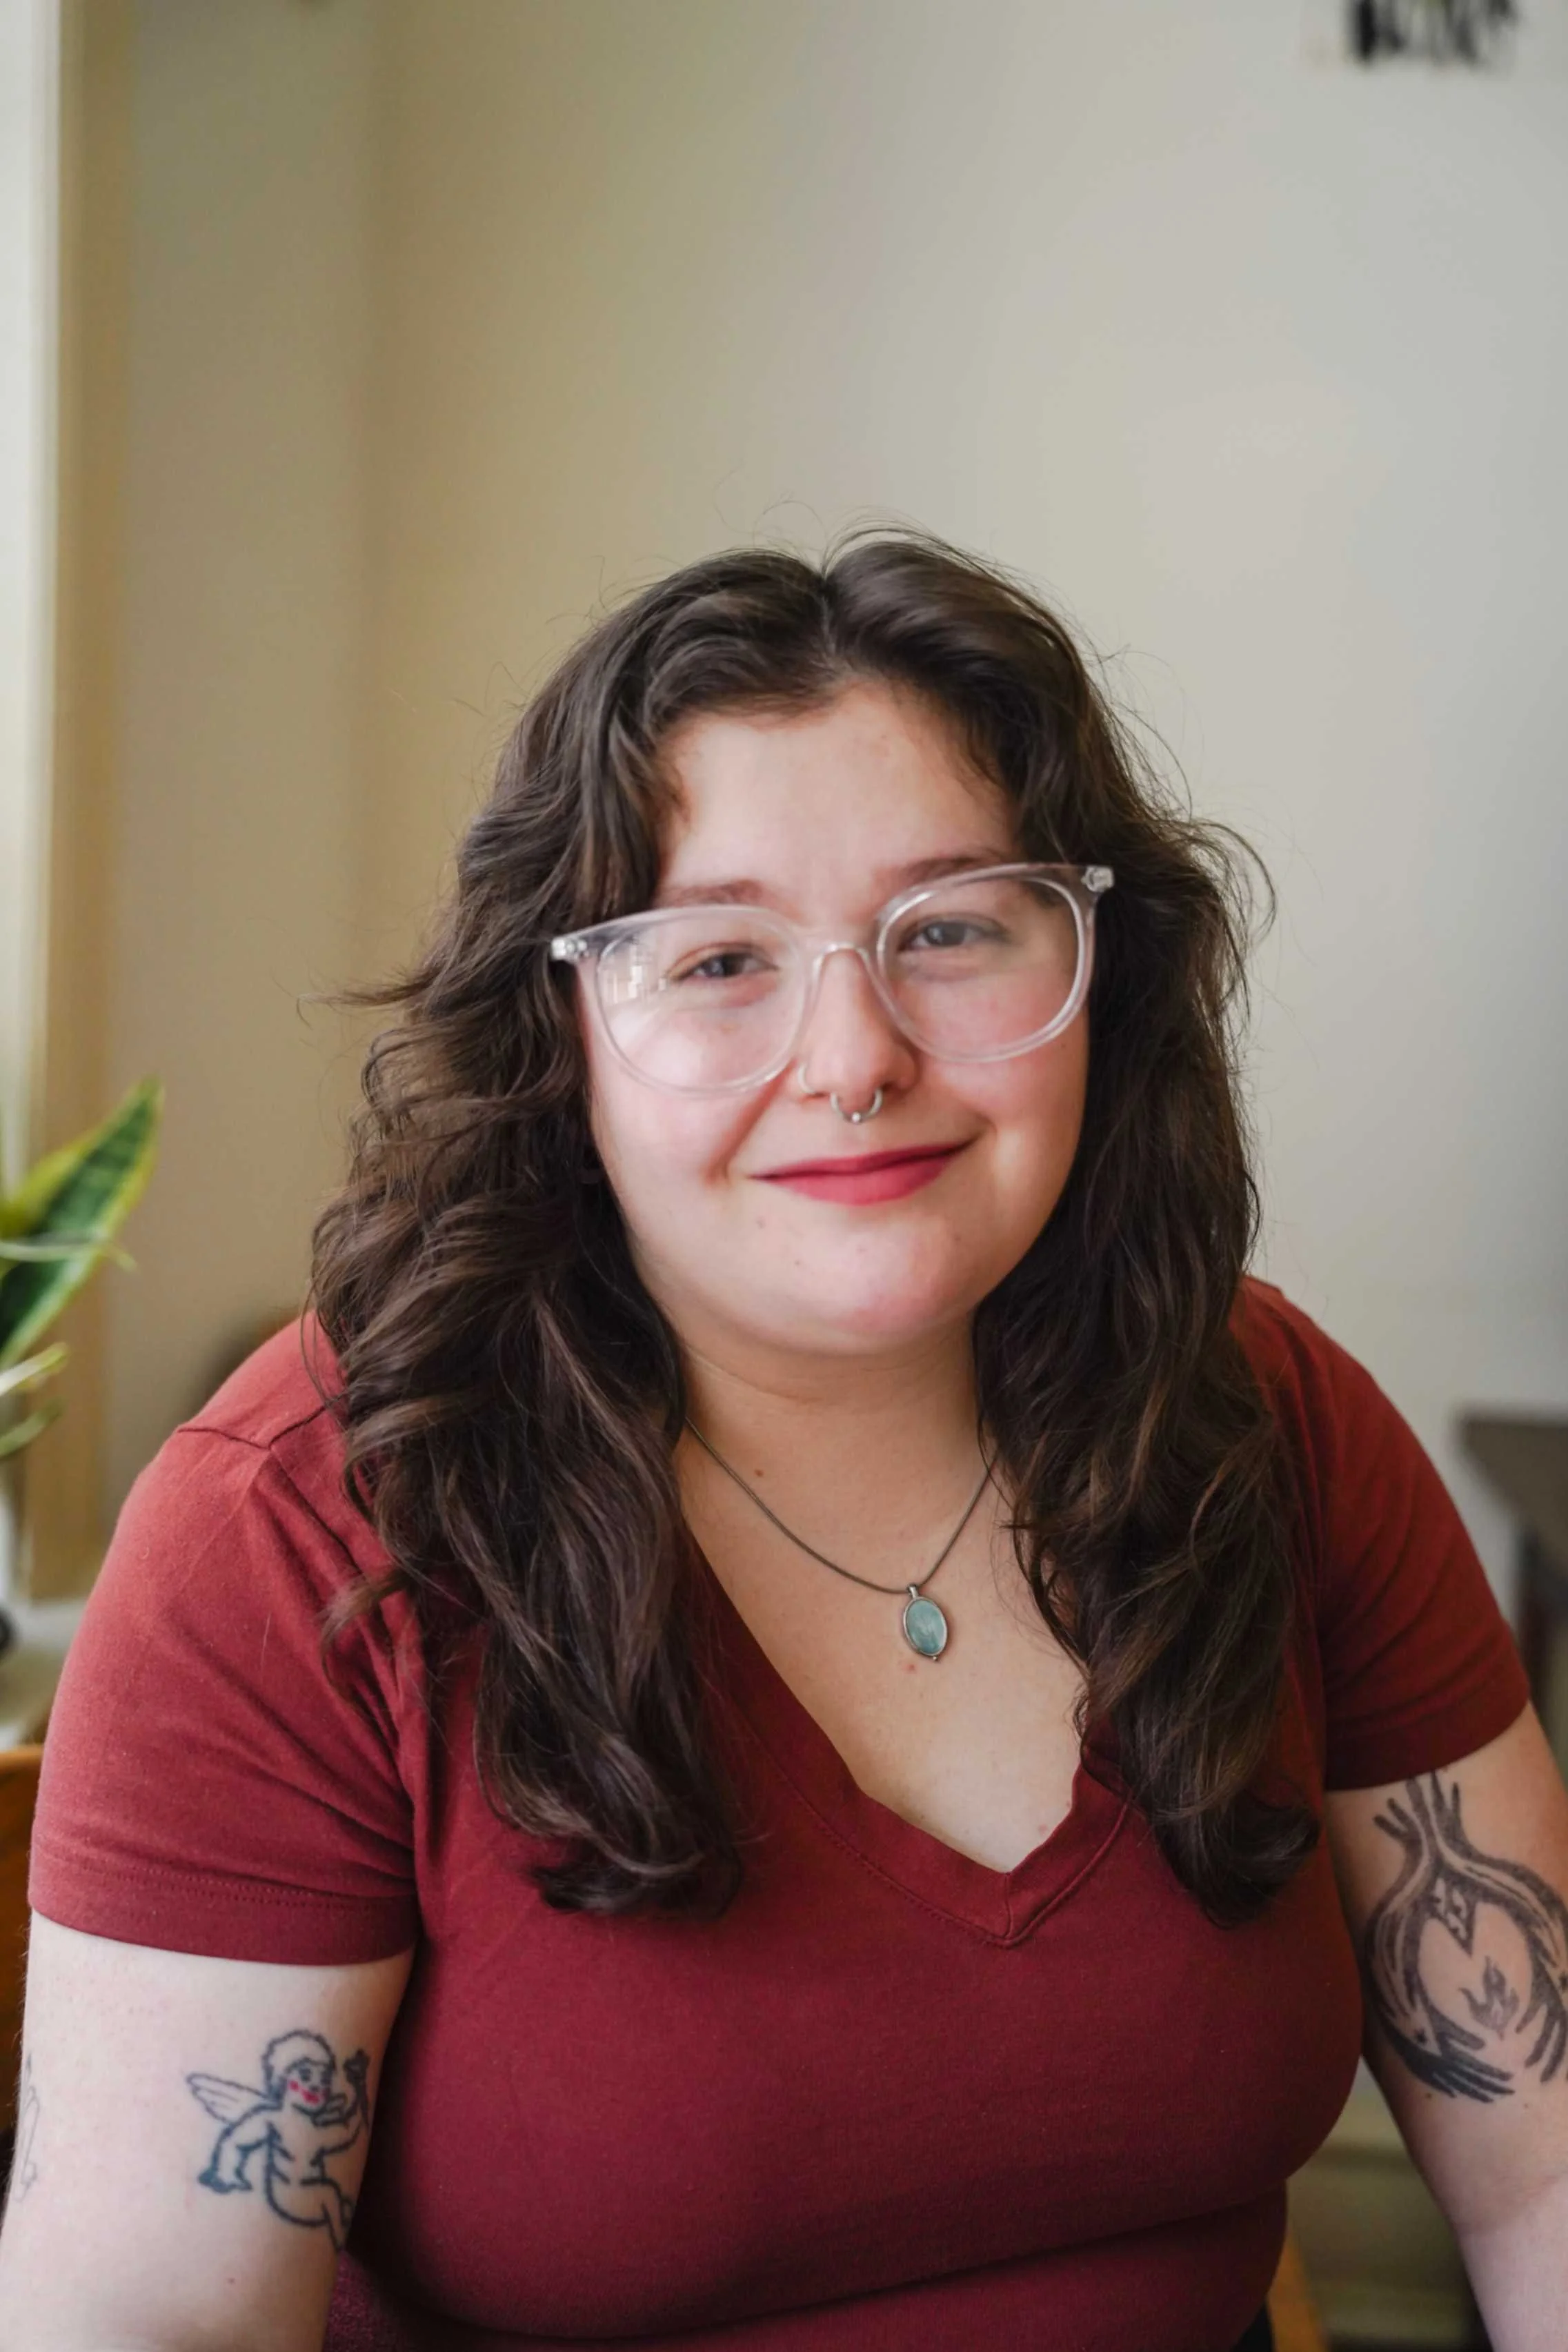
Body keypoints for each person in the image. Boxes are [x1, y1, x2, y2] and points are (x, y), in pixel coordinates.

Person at [3, 533, 1565, 2352]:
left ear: (1098, 974)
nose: (853, 1056)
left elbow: (1543, 2166)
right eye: (719, 955)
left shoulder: (1262, 1417)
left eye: (954, 930)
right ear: (563, 1029)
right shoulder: (295, 1538)